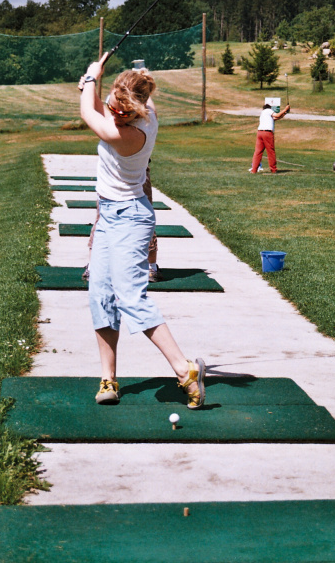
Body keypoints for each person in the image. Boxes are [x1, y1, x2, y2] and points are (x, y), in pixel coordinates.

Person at [79, 54, 205, 408]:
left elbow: (89, 114)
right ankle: (109, 379)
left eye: (122, 111)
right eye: (116, 107)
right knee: (100, 293)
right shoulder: (135, 105)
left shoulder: (134, 134)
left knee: (131, 296)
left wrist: (90, 78)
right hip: (108, 216)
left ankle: (185, 370)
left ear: (137, 110)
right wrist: (94, 84)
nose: (116, 113)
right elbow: (103, 103)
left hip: (131, 219)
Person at [249, 103, 290, 174]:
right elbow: (277, 115)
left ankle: (254, 170)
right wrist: (285, 109)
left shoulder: (263, 113)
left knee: (258, 152)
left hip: (260, 133)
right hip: (267, 133)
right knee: (271, 152)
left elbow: (276, 118)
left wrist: (285, 112)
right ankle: (273, 170)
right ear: (269, 108)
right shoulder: (268, 110)